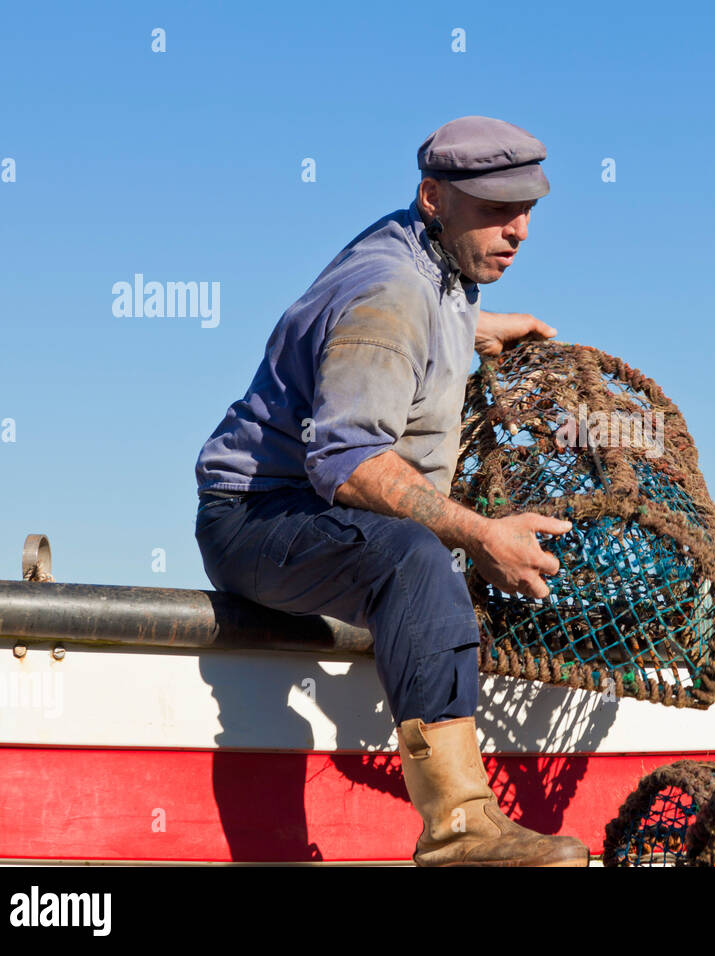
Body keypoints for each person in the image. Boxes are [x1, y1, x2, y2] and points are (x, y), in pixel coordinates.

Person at [193, 115, 589, 867]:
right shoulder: (390, 294)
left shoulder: (430, 253)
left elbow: (428, 307)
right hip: (254, 518)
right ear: (433, 197)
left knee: (420, 551)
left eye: (528, 209)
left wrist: (482, 326)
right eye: (497, 212)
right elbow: (343, 461)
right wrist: (477, 532)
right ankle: (460, 830)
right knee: (414, 554)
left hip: (310, 513)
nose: (521, 230)